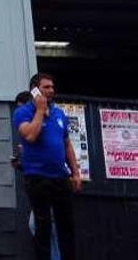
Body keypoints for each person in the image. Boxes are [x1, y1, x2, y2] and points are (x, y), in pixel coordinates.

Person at [13, 73, 80, 260]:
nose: (51, 91)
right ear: (35, 90)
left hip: (60, 176)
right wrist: (40, 111)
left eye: (52, 87)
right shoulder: (22, 113)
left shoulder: (59, 114)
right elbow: (30, 136)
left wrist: (75, 172)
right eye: (46, 87)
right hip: (37, 178)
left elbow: (66, 144)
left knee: (66, 226)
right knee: (43, 227)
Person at [12, 91, 61, 260]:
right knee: (43, 226)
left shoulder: (44, 120)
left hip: (51, 182)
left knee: (43, 226)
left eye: (22, 109)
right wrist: (21, 163)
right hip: (40, 182)